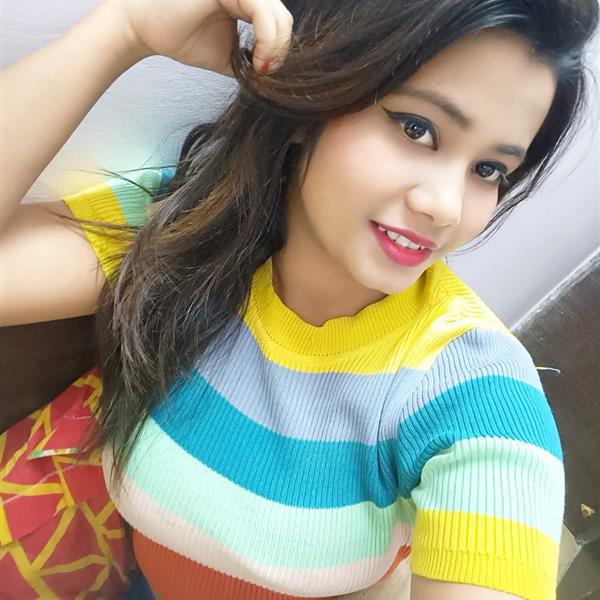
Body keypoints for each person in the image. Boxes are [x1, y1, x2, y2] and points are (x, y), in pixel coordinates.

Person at [1, 0, 598, 598]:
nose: (446, 206)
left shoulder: (477, 395)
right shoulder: (181, 232)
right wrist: (121, 31)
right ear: (310, 101)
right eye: (417, 129)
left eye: (489, 170)